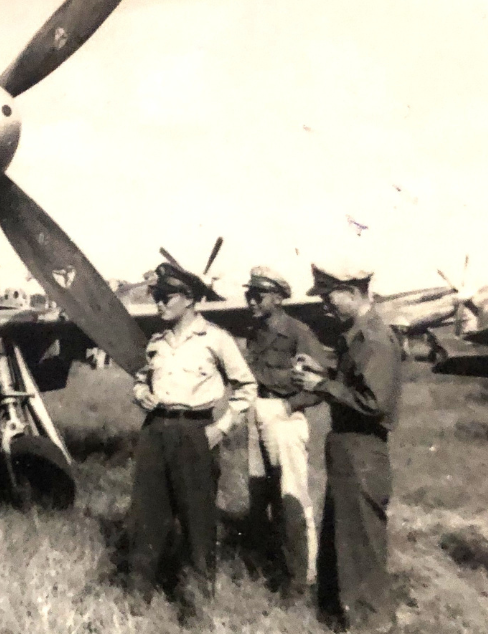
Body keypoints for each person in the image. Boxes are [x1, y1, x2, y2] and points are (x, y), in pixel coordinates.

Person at [128, 262, 258, 612]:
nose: (158, 304)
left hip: (195, 431)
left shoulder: (215, 338)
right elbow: (142, 378)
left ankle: (198, 605)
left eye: (165, 297)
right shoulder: (157, 341)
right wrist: (140, 392)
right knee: (147, 516)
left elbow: (247, 386)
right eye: (156, 297)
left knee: (198, 521)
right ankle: (138, 599)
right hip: (155, 430)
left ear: (188, 299)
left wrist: (222, 427)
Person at [293, 262, 402, 632]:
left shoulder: (373, 338)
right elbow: (355, 384)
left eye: (329, 296)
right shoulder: (356, 335)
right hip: (348, 450)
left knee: (362, 544)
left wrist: (321, 385)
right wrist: (323, 374)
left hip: (363, 450)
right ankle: (343, 618)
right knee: (344, 537)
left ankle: (371, 623)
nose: (325, 304)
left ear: (354, 293)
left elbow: (374, 402)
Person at [241, 266, 329, 599]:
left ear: (278, 298)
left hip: (285, 415)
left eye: (258, 296)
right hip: (258, 411)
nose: (251, 301)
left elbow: (322, 382)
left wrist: (292, 406)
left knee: (293, 497)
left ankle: (302, 577)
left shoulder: (298, 332)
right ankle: (273, 563)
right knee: (260, 493)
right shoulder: (255, 331)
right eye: (249, 294)